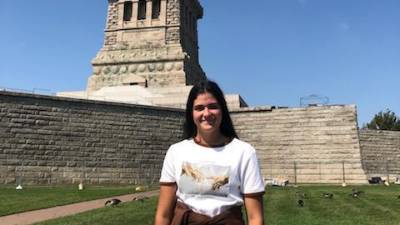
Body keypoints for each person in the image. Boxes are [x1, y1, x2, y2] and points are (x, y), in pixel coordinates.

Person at [155, 80, 265, 225]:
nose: (206, 113)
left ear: (222, 110)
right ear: (191, 113)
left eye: (213, 107)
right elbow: (163, 215)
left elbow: (255, 218)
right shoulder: (176, 152)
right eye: (199, 108)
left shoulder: (244, 152)